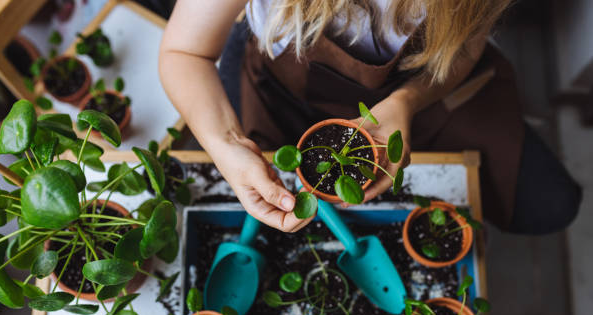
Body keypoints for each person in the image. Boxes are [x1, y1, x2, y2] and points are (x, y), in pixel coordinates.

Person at [159, 0, 581, 234]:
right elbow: (184, 52)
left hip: (424, 93)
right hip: (281, 86)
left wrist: (406, 103)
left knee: (550, 205)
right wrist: (225, 144)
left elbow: (464, 49)